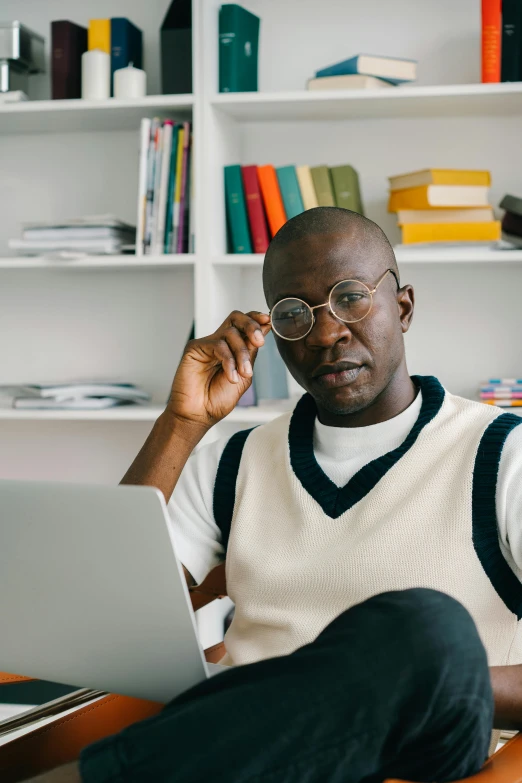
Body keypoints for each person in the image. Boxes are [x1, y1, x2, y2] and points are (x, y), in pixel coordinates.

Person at [28, 207, 522, 783]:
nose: (327, 332)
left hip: (415, 749)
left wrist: (429, 677)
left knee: (424, 629)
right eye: (294, 314)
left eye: (351, 298)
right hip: (253, 756)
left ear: (404, 307)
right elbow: (103, 614)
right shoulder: (232, 461)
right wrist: (182, 422)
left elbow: (421, 660)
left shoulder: (502, 455)